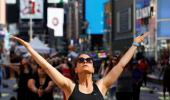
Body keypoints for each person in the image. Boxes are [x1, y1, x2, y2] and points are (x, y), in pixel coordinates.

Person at [10, 32, 147, 100]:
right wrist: (29, 47)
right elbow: (47, 67)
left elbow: (122, 64)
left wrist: (135, 44)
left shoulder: (101, 85)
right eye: (81, 61)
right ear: (76, 69)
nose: (85, 62)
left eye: (88, 61)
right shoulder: (69, 87)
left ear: (93, 69)